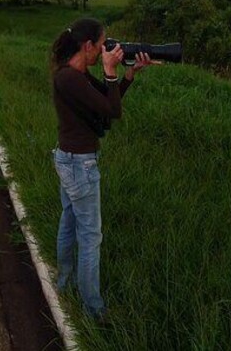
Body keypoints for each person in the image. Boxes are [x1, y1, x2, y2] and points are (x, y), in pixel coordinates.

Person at [50, 18, 159, 322]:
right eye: (101, 45)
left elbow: (106, 102)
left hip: (71, 160)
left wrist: (128, 74)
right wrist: (110, 71)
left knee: (70, 222)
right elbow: (113, 112)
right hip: (79, 164)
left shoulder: (77, 75)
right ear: (87, 46)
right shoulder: (69, 78)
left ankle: (65, 283)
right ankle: (94, 311)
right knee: (90, 237)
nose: (104, 50)